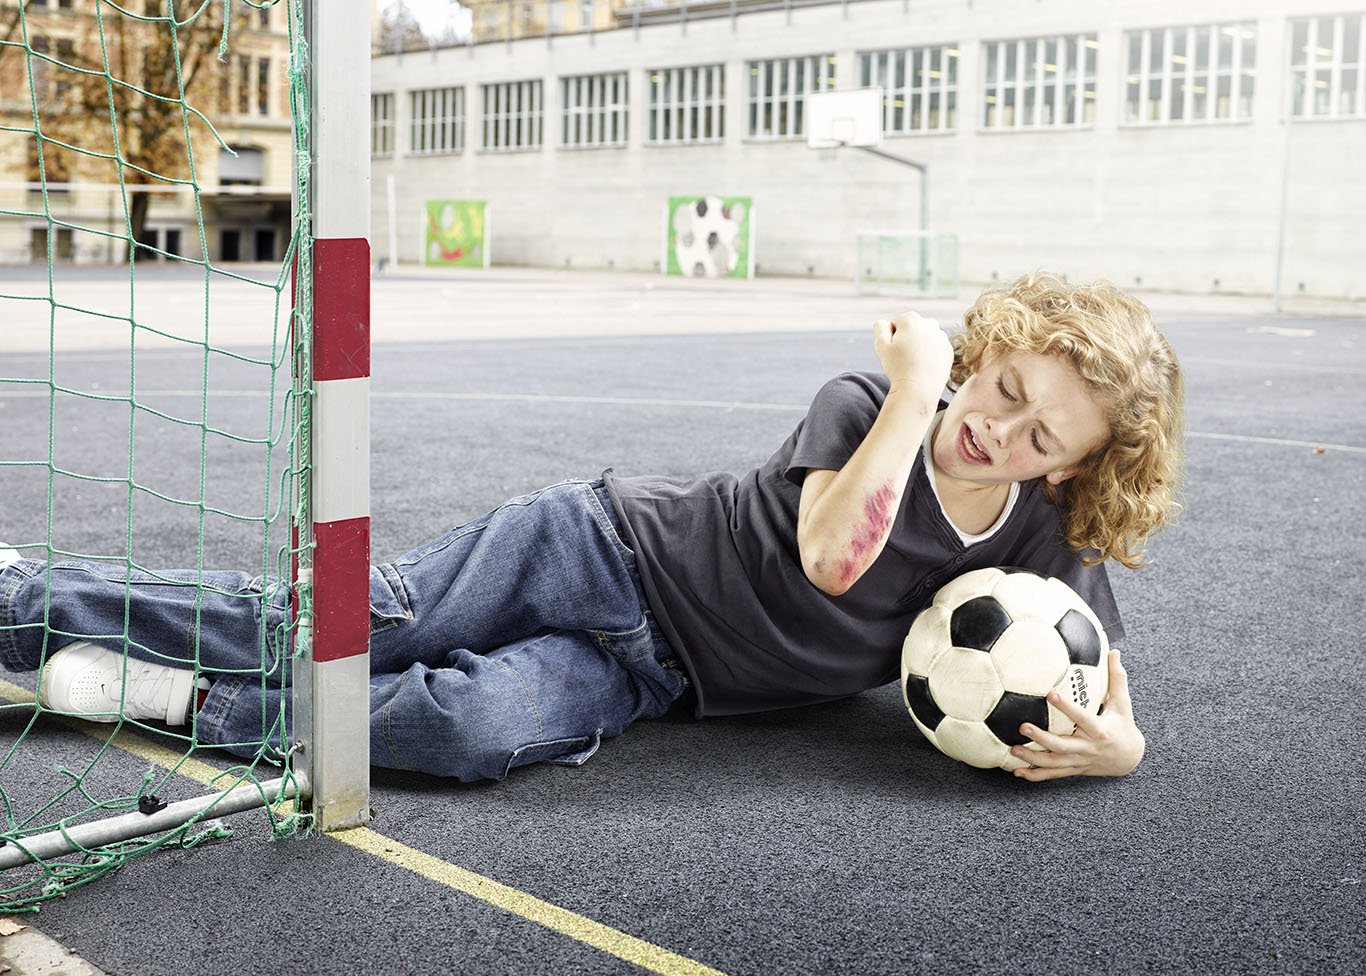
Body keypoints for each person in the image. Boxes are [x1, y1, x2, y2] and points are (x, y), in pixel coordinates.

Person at [0, 272, 1184, 784]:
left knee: (469, 732)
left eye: (1043, 438)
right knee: (340, 623)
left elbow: (1100, 684)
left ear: (1076, 470)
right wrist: (923, 385)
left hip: (659, 676)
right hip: (604, 546)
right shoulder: (872, 405)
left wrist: (1119, 749)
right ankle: (19, 597)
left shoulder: (1040, 534)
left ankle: (183, 706)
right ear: (982, 354)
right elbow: (836, 551)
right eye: (1003, 389)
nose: (1003, 432)